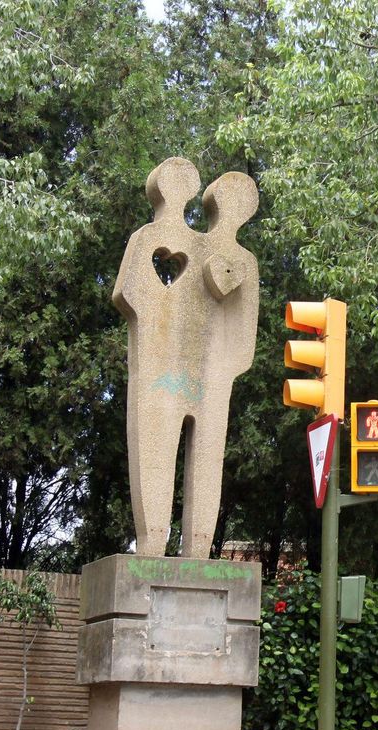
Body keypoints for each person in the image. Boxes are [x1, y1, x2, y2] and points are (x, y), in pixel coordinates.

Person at [111, 158, 260, 558]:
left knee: (205, 462)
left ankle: (195, 549)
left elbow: (244, 337)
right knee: (158, 452)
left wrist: (223, 368)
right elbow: (131, 296)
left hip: (212, 381)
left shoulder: (242, 262)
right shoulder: (150, 239)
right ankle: (153, 545)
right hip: (163, 375)